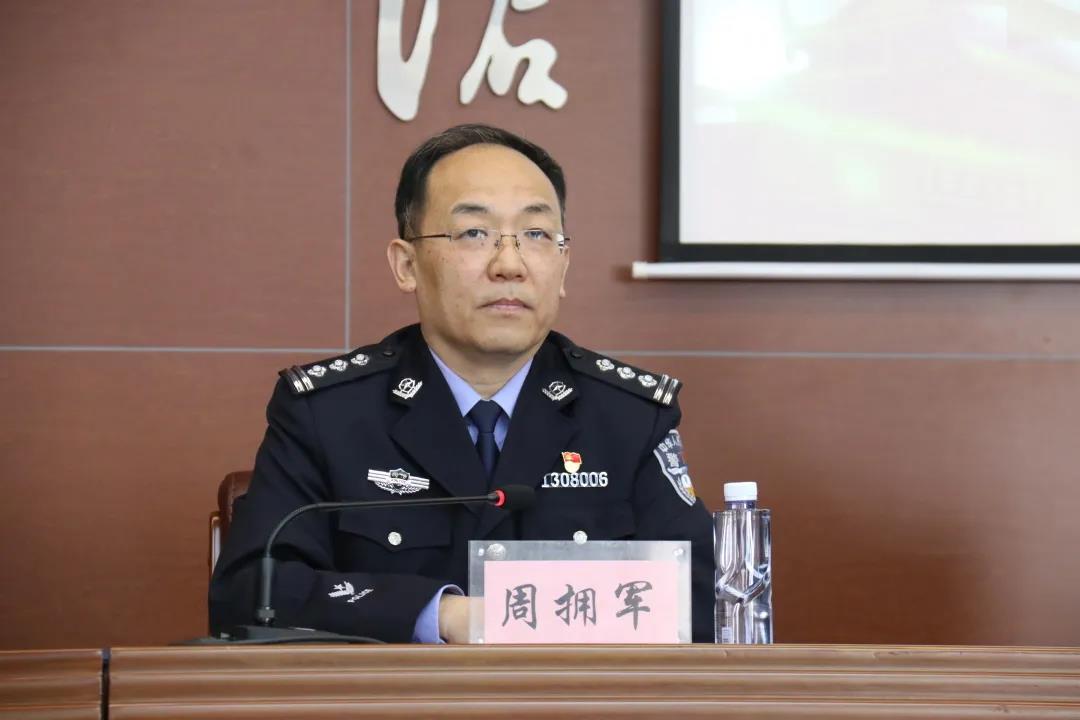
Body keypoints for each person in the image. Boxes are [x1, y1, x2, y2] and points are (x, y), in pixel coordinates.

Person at [209, 124, 714, 643]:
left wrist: (520, 618)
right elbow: (250, 594)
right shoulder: (329, 414)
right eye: (474, 233)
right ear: (407, 265)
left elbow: (703, 601)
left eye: (537, 235)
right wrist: (441, 616)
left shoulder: (629, 417)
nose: (509, 264)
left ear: (563, 266)